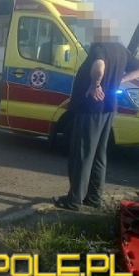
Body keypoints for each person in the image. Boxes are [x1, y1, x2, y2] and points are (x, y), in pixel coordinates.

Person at [53, 28, 139, 211]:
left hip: (91, 107)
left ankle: (74, 200)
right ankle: (93, 197)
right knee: (99, 154)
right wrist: (120, 80)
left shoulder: (100, 46)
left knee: (82, 153)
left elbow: (99, 66)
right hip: (108, 108)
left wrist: (95, 84)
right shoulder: (120, 48)